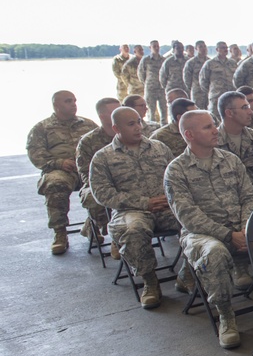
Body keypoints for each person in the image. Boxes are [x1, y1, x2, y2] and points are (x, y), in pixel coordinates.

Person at [165, 110, 253, 349]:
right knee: (214, 253)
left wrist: (247, 228)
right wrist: (229, 235)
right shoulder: (176, 170)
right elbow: (188, 215)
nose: (215, 129)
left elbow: (249, 197)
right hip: (202, 235)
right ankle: (226, 316)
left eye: (213, 125)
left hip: (242, 228)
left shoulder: (230, 160)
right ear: (189, 134)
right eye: (207, 127)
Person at [90, 107, 179, 308]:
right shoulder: (103, 157)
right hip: (131, 211)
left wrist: (170, 198)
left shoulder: (159, 148)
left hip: (166, 206)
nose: (138, 127)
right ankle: (149, 282)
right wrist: (143, 202)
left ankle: (189, 274)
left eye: (139, 121)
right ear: (116, 128)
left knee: (195, 222)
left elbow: (176, 177)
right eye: (131, 124)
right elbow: (102, 193)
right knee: (133, 230)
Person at [26, 91, 98, 254]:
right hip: (61, 170)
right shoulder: (42, 128)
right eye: (68, 101)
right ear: (56, 105)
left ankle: (93, 225)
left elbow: (102, 147)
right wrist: (59, 162)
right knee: (54, 183)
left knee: (109, 181)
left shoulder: (88, 124)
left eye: (74, 101)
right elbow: (36, 154)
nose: (73, 104)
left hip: (87, 169)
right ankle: (60, 233)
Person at [75, 97, 120, 247]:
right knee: (93, 197)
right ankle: (116, 238)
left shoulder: (128, 135)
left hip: (128, 181)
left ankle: (98, 227)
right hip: (100, 184)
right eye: (114, 112)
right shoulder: (89, 141)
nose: (119, 114)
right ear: (102, 117)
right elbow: (86, 173)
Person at [216, 91, 253, 196]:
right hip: (225, 201)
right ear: (229, 113)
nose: (251, 112)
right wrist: (250, 193)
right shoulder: (212, 142)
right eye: (245, 108)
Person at [199, 42, 238, 120]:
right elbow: (203, 81)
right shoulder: (209, 63)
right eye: (223, 48)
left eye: (226, 48)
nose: (225, 49)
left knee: (232, 118)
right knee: (215, 119)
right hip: (216, 97)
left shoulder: (233, 63)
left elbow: (237, 78)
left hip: (230, 96)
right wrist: (212, 91)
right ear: (217, 49)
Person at [138, 40, 167, 124]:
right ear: (150, 48)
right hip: (150, 89)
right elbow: (141, 74)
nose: (156, 48)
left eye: (157, 46)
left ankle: (164, 127)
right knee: (151, 111)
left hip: (161, 89)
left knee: (164, 110)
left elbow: (166, 74)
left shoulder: (163, 60)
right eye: (154, 46)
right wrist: (147, 83)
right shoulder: (146, 60)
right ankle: (152, 127)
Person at [183, 41, 210, 110]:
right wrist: (193, 87)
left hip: (209, 92)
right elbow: (187, 79)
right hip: (197, 92)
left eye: (204, 46)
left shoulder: (210, 62)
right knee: (198, 112)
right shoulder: (191, 62)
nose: (203, 48)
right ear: (196, 49)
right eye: (200, 47)